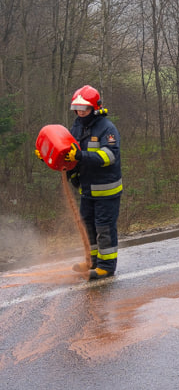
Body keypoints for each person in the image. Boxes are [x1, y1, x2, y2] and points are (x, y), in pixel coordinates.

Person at [66, 85, 123, 280]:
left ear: (95, 108)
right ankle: (92, 261)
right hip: (88, 189)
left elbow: (109, 156)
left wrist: (81, 156)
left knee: (104, 228)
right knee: (88, 226)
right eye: (78, 109)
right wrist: (50, 155)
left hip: (106, 191)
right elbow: (68, 150)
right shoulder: (78, 126)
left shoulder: (107, 128)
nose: (81, 112)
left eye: (85, 109)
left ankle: (106, 267)